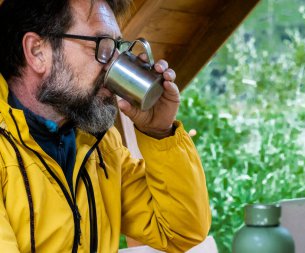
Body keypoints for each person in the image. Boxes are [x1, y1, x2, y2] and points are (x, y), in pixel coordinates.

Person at [0, 0, 211, 252]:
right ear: (37, 52)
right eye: (102, 47)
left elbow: (180, 232)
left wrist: (159, 132)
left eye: (117, 48)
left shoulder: (100, 146)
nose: (113, 64)